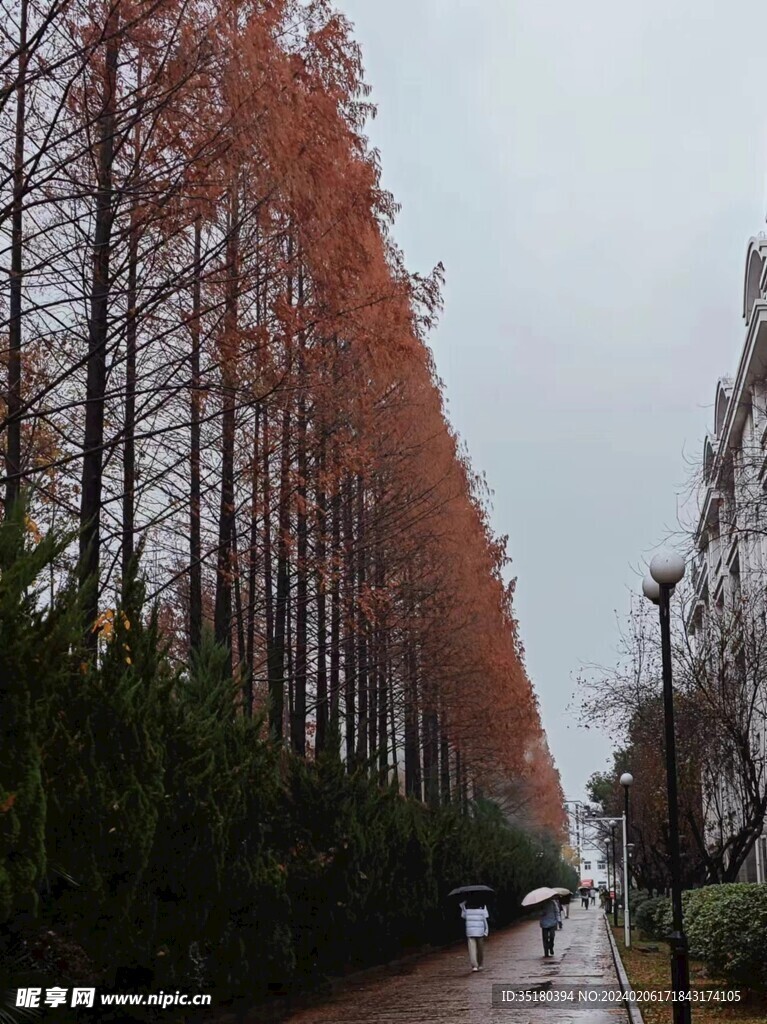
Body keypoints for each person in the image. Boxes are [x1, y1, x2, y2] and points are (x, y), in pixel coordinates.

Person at [460, 899, 489, 972]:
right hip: (480, 931)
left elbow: (463, 916)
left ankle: (474, 966)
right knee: (480, 949)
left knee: (471, 949)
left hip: (470, 931)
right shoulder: (483, 905)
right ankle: (480, 964)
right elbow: (486, 916)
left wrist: (462, 905)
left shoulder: (465, 905)